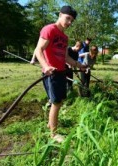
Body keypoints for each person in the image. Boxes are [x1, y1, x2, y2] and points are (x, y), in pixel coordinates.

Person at [34, 5, 86, 143]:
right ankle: (54, 134)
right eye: (68, 18)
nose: (69, 22)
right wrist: (45, 66)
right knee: (56, 103)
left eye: (72, 21)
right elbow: (39, 50)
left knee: (58, 101)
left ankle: (50, 123)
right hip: (52, 73)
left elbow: (65, 57)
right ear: (60, 14)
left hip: (61, 72)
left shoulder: (64, 37)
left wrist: (78, 64)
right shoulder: (49, 29)